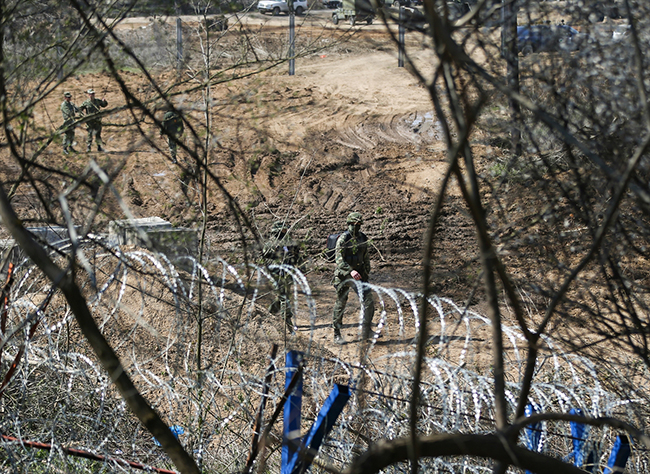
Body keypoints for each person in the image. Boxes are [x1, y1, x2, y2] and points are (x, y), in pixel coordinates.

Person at [331, 211, 375, 344]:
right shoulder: (343, 239)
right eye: (353, 224)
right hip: (344, 276)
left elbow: (366, 257)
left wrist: (366, 273)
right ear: (348, 224)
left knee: (368, 302)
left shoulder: (363, 238)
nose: (355, 227)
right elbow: (339, 260)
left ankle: (367, 329)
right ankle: (337, 333)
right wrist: (350, 271)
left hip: (359, 276)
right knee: (341, 303)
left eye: (358, 224)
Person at [261, 220, 300, 336]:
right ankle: (287, 324)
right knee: (285, 297)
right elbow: (265, 255)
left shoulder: (287, 242)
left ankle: (270, 313)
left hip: (287, 273)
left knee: (282, 297)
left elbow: (294, 256)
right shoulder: (272, 243)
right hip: (277, 273)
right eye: (283, 230)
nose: (286, 231)